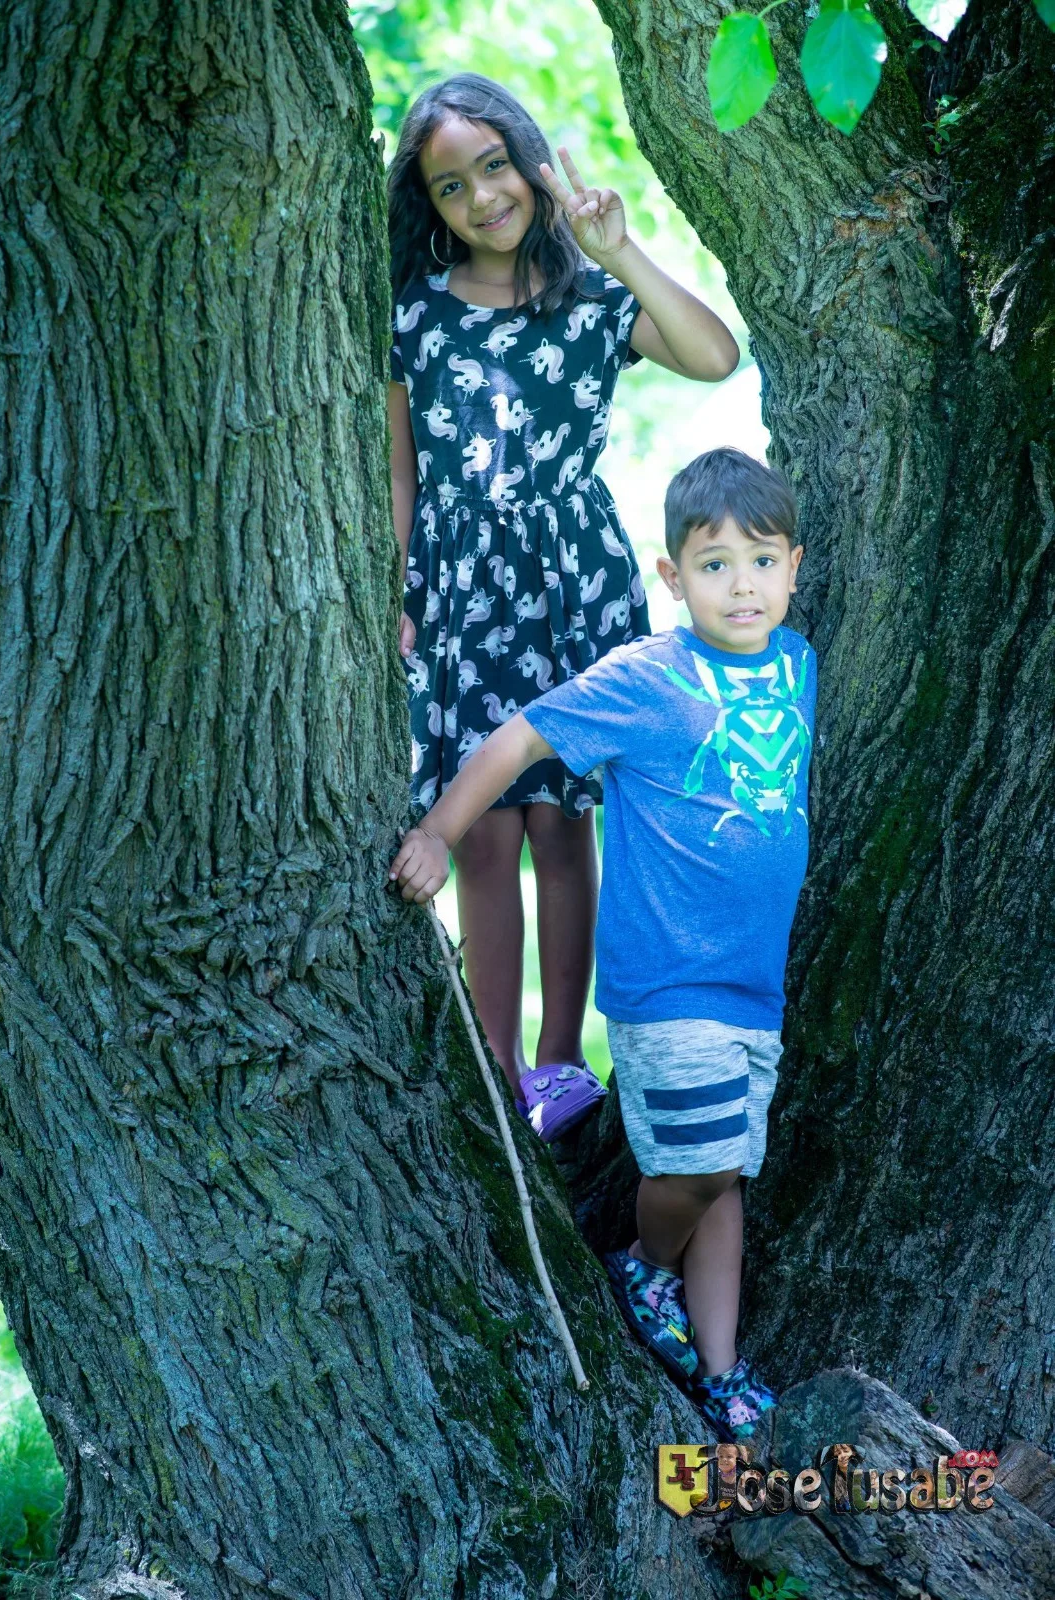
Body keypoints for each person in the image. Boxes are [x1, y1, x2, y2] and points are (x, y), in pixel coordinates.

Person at [389, 448, 817, 1442]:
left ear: (794, 568)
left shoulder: (795, 662)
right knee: (699, 1173)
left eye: (761, 561)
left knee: (726, 1180)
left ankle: (718, 1372)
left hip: (753, 988)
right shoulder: (650, 676)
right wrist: (438, 834)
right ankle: (640, 1266)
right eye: (714, 564)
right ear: (670, 578)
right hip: (669, 987)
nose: (742, 584)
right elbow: (520, 737)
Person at [385, 73, 741, 1144]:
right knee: (483, 830)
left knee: (559, 821)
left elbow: (714, 356)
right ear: (431, 205)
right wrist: (398, 595)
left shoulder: (590, 299)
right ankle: (494, 1071)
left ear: (531, 162)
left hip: (571, 581)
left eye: (494, 166)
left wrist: (619, 247)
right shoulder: (412, 314)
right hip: (458, 586)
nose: (481, 196)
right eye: (451, 185)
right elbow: (401, 471)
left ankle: (555, 1065)